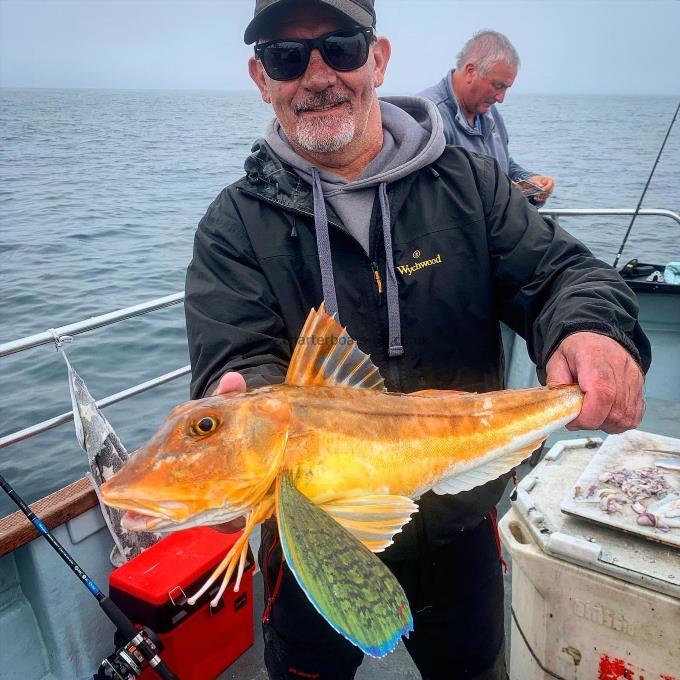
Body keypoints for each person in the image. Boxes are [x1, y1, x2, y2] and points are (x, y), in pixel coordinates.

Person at [184, 1, 649, 677]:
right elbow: (239, 360)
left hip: (459, 521)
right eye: (288, 56)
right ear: (262, 77)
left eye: (340, 46)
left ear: (378, 58)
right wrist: (237, 432)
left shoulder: (471, 185)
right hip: (314, 543)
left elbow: (561, 273)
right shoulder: (232, 228)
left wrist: (592, 329)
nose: (318, 75)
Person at [419, 30, 555, 204]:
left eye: (506, 88)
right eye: (498, 86)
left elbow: (503, 165)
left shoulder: (490, 113)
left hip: (495, 226)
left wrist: (531, 181)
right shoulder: (429, 116)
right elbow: (429, 197)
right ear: (470, 71)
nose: (501, 98)